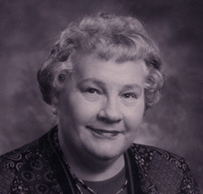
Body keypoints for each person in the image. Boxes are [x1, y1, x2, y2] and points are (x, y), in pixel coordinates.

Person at [0, 13, 199, 194]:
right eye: (92, 91)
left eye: (128, 95)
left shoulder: (172, 174)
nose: (111, 114)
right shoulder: (6, 181)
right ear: (56, 95)